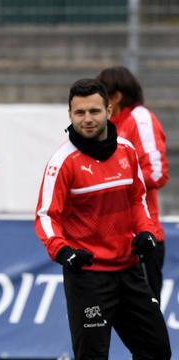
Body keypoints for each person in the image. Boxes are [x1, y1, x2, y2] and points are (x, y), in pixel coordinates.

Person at [35, 78, 171, 359]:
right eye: (79, 113)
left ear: (109, 111)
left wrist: (145, 231)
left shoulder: (127, 150)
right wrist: (63, 251)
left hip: (130, 271)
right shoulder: (62, 162)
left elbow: (137, 199)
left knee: (157, 351)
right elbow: (46, 217)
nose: (87, 119)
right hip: (88, 278)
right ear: (70, 115)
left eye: (94, 111)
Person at [97, 66, 169, 299]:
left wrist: (114, 184)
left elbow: (157, 172)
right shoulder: (109, 127)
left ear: (116, 96)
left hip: (141, 241)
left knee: (147, 330)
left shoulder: (140, 119)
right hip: (109, 245)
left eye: (103, 95)